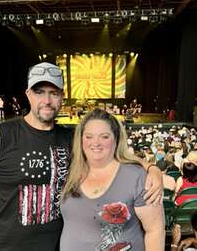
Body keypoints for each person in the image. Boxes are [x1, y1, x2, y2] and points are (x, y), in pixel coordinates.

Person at [0, 62, 163, 251]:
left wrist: (151, 169)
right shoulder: (0, 136)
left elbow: (113, 155)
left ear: (62, 96)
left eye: (54, 93)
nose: (47, 100)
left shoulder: (71, 138)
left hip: (57, 244)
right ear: (28, 94)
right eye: (40, 92)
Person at [60, 108, 165, 251]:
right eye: (89, 136)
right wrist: (153, 167)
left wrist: (153, 169)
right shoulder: (70, 170)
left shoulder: (137, 177)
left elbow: (155, 231)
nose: (95, 143)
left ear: (116, 139)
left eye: (104, 136)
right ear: (80, 139)